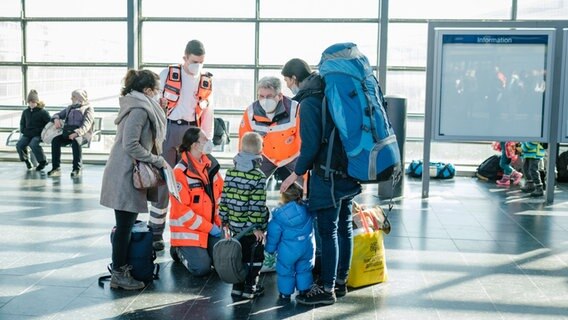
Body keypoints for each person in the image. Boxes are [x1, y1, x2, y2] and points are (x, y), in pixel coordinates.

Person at [280, 58, 362, 305]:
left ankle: (326, 289)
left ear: (294, 79)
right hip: (348, 171)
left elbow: (311, 145)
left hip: (328, 176)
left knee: (328, 232)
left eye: (286, 81)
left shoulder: (309, 102)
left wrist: (295, 174)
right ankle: (340, 281)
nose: (287, 86)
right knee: (344, 227)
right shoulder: (329, 92)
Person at [100, 69, 167, 290]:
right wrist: (155, 159)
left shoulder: (142, 105)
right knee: (124, 227)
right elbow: (131, 144)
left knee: (125, 225)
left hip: (128, 171)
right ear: (147, 90)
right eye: (156, 90)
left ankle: (121, 269)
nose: (159, 94)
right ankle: (119, 274)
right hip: (125, 173)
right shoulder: (139, 109)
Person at [149, 39, 215, 251]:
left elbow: (208, 113)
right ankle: (155, 232)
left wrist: (207, 139)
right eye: (194, 61)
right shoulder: (168, 74)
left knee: (192, 183)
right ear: (185, 57)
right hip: (169, 129)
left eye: (201, 62)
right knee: (164, 180)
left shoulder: (206, 80)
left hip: (192, 132)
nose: (198, 66)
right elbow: (154, 104)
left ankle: (190, 233)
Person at [219, 132, 268, 299]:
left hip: (234, 226)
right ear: (259, 152)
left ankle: (237, 287)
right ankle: (250, 287)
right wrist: (257, 227)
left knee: (238, 256)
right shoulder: (259, 176)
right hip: (249, 228)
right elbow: (256, 205)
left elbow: (224, 197)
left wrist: (224, 220)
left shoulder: (231, 173)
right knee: (254, 257)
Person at [169, 127, 223, 277]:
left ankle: (202, 250)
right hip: (189, 232)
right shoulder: (180, 173)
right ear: (194, 145)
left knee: (222, 262)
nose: (208, 142)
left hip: (209, 228)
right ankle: (177, 250)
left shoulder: (210, 166)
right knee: (201, 268)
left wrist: (219, 224)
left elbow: (220, 195)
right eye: (205, 139)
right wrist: (210, 228)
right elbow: (183, 214)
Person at [239, 76, 301, 183]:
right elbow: (243, 141)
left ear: (280, 96)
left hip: (293, 156)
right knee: (248, 183)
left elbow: (304, 139)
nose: (265, 100)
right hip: (265, 156)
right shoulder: (250, 112)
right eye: (261, 96)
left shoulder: (295, 110)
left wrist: (302, 166)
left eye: (269, 96)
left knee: (307, 188)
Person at [265, 183, 314, 301]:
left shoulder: (279, 217)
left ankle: (285, 294)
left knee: (285, 271)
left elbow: (273, 237)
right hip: (306, 247)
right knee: (304, 269)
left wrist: (270, 250)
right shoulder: (308, 210)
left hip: (287, 251)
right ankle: (304, 290)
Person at [47, 89, 95, 178]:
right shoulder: (70, 107)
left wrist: (77, 133)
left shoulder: (88, 108)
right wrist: (56, 119)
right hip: (68, 133)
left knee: (76, 141)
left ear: (79, 98)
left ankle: (77, 169)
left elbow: (86, 125)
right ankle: (56, 168)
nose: (71, 98)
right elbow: (57, 114)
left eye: (73, 97)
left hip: (82, 134)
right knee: (56, 140)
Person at [16, 89, 50, 171]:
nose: (31, 104)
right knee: (19, 145)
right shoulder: (25, 112)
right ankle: (27, 160)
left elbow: (49, 124)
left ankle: (42, 161)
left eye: (33, 102)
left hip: (39, 134)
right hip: (27, 134)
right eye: (30, 102)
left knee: (33, 144)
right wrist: (23, 130)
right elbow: (22, 123)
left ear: (37, 102)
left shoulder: (43, 112)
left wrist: (40, 131)